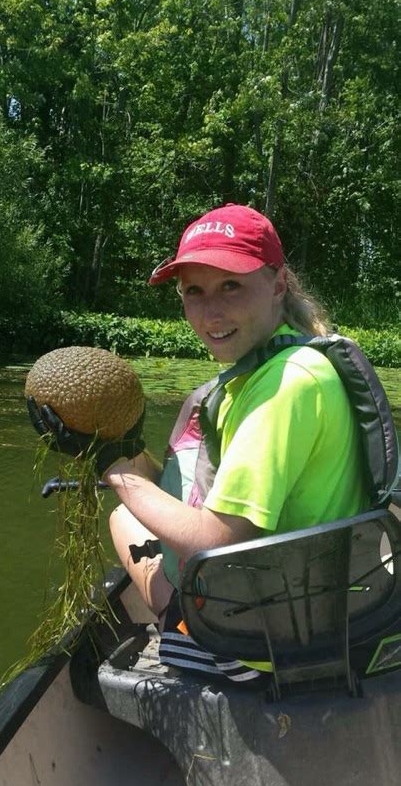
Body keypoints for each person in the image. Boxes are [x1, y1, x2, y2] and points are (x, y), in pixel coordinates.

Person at [30, 203, 369, 683]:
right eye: (194, 290)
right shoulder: (268, 366)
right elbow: (178, 490)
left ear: (277, 284)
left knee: (124, 515)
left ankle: (181, 628)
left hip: (262, 647)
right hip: (300, 603)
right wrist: (122, 444)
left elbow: (218, 540)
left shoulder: (286, 387)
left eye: (231, 285)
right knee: (129, 511)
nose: (211, 311)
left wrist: (113, 467)